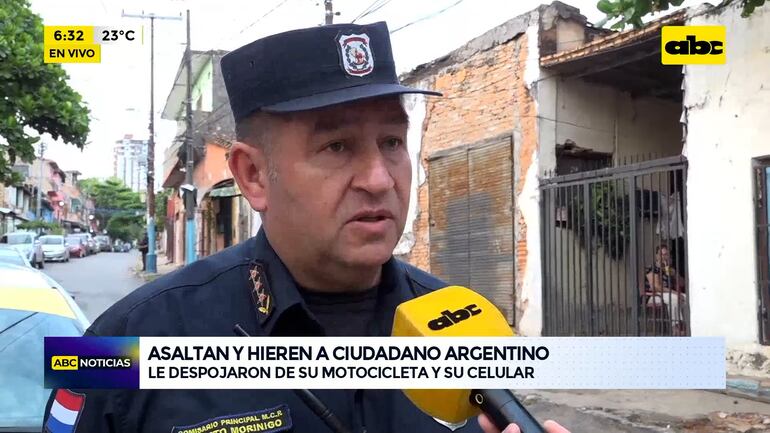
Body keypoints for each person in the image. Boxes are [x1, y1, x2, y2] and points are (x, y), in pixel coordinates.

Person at [43, 22, 568, 433]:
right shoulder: (121, 344)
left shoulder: (462, 326)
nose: (379, 178)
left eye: (391, 142)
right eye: (337, 147)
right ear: (253, 175)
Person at [645, 244, 687, 335]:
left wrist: (675, 274)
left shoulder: (669, 268)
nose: (664, 257)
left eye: (666, 254)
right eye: (661, 254)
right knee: (674, 298)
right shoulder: (652, 268)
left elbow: (682, 283)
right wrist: (675, 292)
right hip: (653, 295)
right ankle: (676, 328)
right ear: (657, 256)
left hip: (668, 295)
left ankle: (687, 325)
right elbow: (656, 287)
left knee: (687, 298)